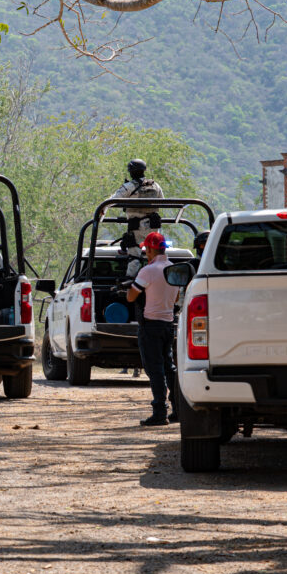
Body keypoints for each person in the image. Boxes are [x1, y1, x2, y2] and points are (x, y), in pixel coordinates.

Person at [127, 232, 179, 426]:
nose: (145, 253)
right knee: (169, 367)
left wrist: (129, 290)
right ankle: (178, 409)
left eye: (146, 249)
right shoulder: (173, 268)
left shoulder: (148, 271)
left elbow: (131, 297)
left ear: (150, 249)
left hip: (150, 325)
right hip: (168, 324)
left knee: (155, 369)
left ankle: (159, 412)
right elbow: (175, 299)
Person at [113, 158, 165, 278]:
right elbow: (162, 201)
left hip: (136, 226)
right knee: (155, 254)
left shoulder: (129, 187)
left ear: (131, 171)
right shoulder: (155, 186)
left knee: (134, 255)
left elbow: (113, 200)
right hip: (153, 226)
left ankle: (131, 283)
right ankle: (158, 278)